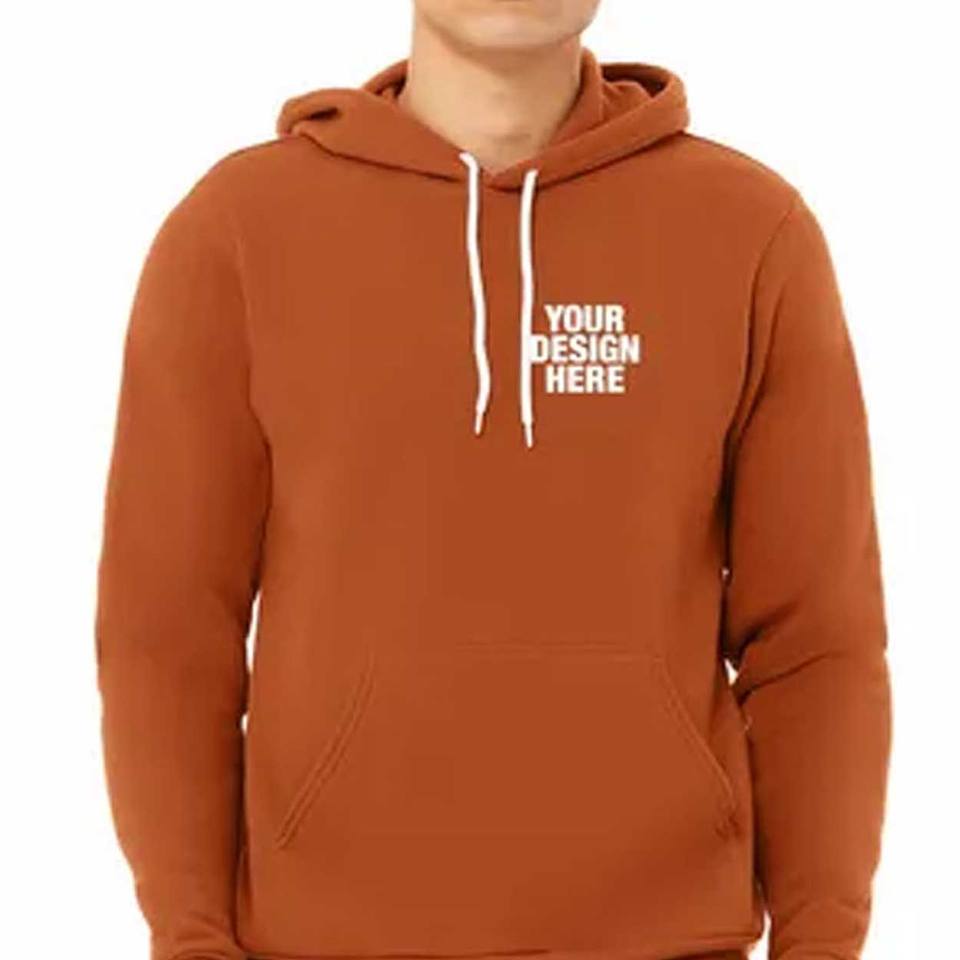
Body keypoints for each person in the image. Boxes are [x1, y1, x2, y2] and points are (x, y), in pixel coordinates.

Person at [96, 2, 891, 959]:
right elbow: (168, 630)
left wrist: (822, 943)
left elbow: (816, 639)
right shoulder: (238, 233)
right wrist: (191, 941)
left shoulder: (750, 233)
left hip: (666, 940)